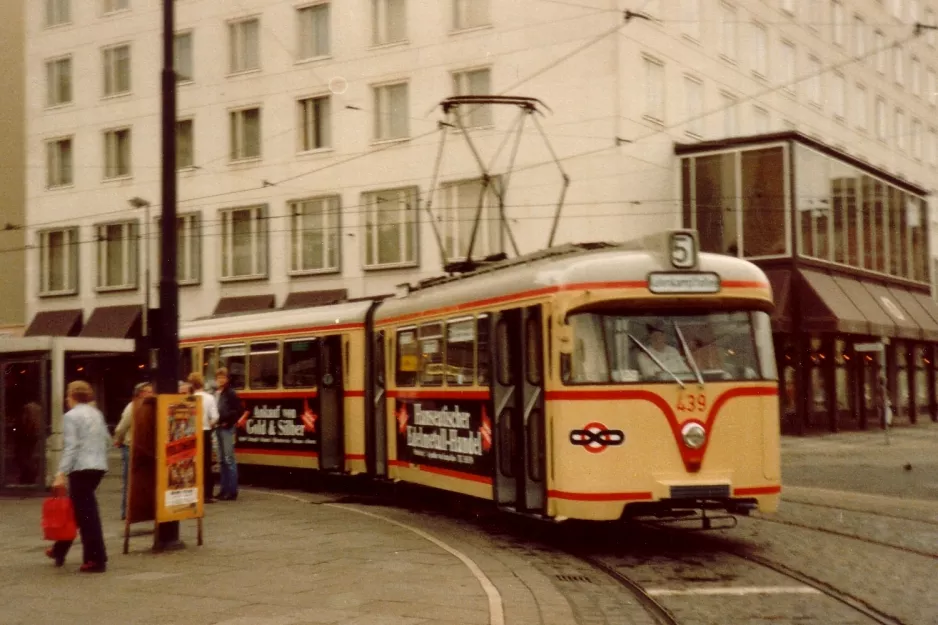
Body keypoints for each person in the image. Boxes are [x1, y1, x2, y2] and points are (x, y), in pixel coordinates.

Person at [47, 381, 109, 573]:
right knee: (78, 510)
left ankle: (95, 558)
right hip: (98, 466)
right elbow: (106, 438)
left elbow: (71, 447)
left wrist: (61, 472)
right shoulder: (96, 413)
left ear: (71, 395)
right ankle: (59, 549)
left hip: (81, 467)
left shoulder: (71, 416)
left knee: (87, 515)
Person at [113, 382, 153, 521]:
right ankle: (126, 511)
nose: (149, 394)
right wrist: (118, 439)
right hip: (131, 446)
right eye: (146, 391)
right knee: (129, 480)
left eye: (151, 391)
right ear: (139, 393)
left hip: (143, 447)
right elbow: (121, 427)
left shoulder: (149, 406)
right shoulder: (132, 406)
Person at [187, 372, 219, 503]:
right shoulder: (210, 398)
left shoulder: (189, 399)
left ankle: (194, 493)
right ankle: (207, 494)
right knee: (206, 464)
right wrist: (209, 425)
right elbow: (215, 416)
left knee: (193, 463)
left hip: (192, 433)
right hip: (205, 432)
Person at [214, 368, 242, 501]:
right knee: (222, 460)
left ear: (227, 379)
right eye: (219, 377)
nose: (220, 380)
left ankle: (232, 491)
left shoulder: (230, 393)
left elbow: (238, 410)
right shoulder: (217, 393)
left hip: (226, 428)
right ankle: (223, 489)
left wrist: (228, 422)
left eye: (223, 377)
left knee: (229, 459)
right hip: (218, 427)